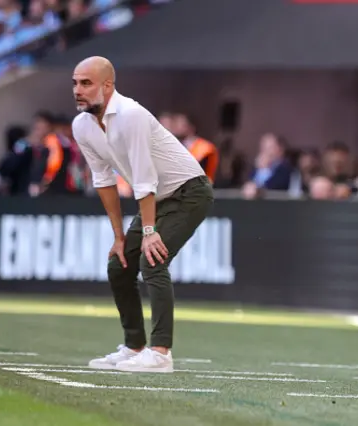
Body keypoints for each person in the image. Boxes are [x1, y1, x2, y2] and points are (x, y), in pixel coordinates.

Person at [71, 56, 214, 373]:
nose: (77, 90)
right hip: (157, 198)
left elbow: (145, 178)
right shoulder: (81, 125)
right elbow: (104, 181)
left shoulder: (131, 115)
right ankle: (134, 346)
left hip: (189, 192)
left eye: (86, 83)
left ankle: (161, 353)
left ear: (108, 85)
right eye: (75, 83)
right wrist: (120, 238)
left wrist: (149, 233)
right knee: (118, 264)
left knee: (154, 259)